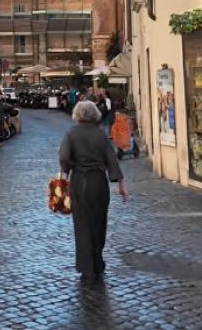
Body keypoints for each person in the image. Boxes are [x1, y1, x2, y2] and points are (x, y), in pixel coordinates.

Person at [59, 100, 127, 284]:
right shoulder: (100, 134)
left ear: (77, 115)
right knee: (99, 222)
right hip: (98, 182)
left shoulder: (71, 134)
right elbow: (112, 159)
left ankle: (86, 266)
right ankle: (98, 263)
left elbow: (64, 158)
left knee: (82, 223)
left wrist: (67, 171)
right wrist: (121, 184)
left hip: (79, 181)